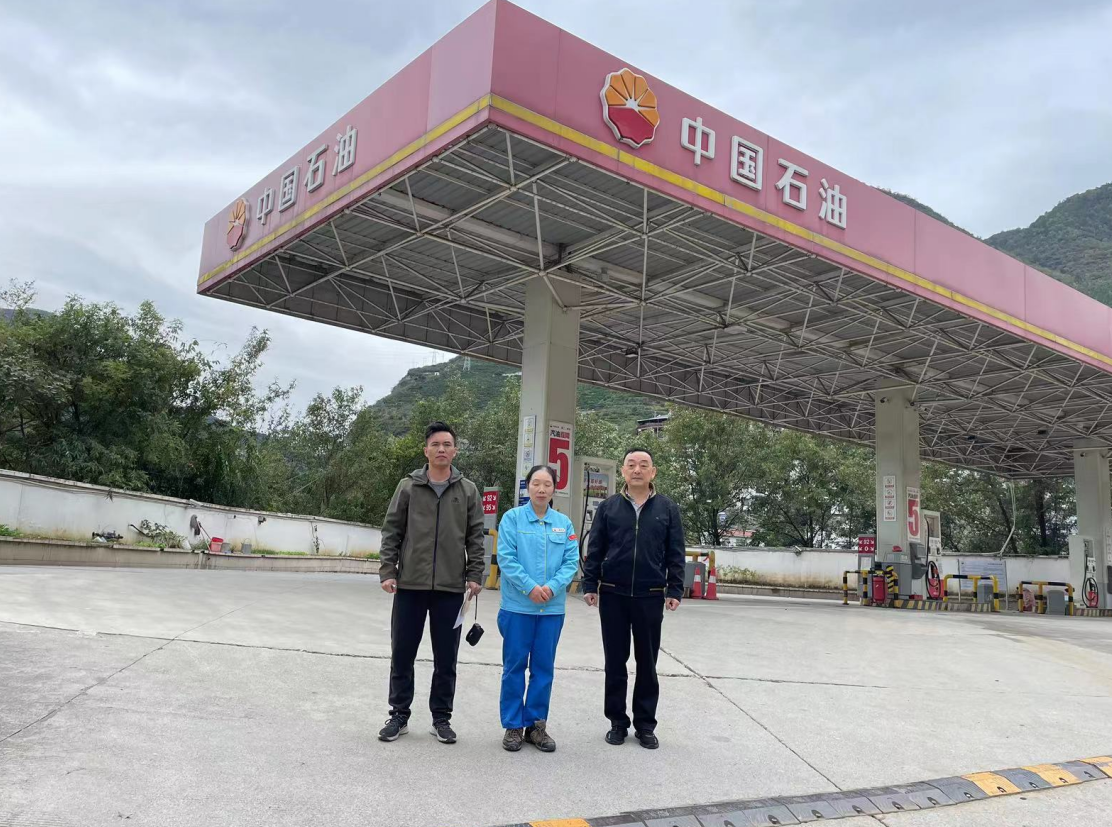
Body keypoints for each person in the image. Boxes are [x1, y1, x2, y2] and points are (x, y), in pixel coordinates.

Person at [377, 421, 485, 745]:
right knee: (402, 652)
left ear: (455, 451)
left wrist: (475, 574)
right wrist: (388, 570)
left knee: (446, 658)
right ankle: (399, 714)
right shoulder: (408, 487)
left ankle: (441, 718)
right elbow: (391, 531)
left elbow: (475, 537)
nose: (441, 449)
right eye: (435, 444)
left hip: (450, 589)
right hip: (410, 585)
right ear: (426, 450)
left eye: (447, 444)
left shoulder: (468, 491)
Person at [581, 447, 685, 749]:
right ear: (623, 471)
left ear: (653, 472)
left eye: (643, 465)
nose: (637, 469)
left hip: (650, 595)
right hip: (613, 593)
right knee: (615, 661)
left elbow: (675, 551)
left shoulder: (667, 508)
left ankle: (645, 725)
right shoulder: (609, 507)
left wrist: (674, 589)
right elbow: (596, 548)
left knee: (647, 662)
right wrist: (590, 584)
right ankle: (617, 722)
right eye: (631, 464)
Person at [494, 465, 580, 753]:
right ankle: (513, 725)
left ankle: (536, 726)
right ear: (527, 487)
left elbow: (571, 562)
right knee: (514, 667)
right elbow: (506, 558)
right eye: (536, 484)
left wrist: (552, 588)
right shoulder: (512, 519)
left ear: (554, 489)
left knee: (543, 669)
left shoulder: (563, 524)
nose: (541, 489)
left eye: (547, 484)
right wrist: (529, 587)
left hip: (551, 610)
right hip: (518, 607)